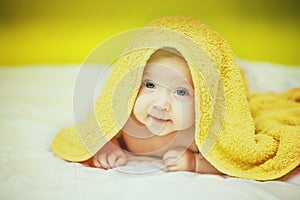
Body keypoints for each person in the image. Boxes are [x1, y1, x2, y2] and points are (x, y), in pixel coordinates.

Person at [82, 48, 221, 174]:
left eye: (180, 92)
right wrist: (109, 147)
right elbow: (101, 131)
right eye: (150, 85)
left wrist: (195, 163)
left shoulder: (199, 135)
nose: (160, 104)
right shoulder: (126, 119)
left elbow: (228, 162)